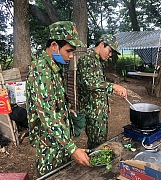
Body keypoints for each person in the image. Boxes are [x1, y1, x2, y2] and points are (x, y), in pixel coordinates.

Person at [26, 21, 90, 177]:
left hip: (60, 141)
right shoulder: (41, 71)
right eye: (68, 51)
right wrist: (73, 148)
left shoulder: (54, 67)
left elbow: (54, 102)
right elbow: (48, 115)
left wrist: (67, 111)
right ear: (54, 45)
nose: (71, 56)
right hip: (50, 147)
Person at [77, 34, 127, 149]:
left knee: (101, 141)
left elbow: (99, 84)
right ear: (101, 44)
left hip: (99, 109)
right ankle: (94, 165)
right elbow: (90, 84)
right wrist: (114, 86)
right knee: (97, 145)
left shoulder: (98, 61)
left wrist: (106, 103)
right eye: (109, 51)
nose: (110, 55)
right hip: (92, 111)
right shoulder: (87, 59)